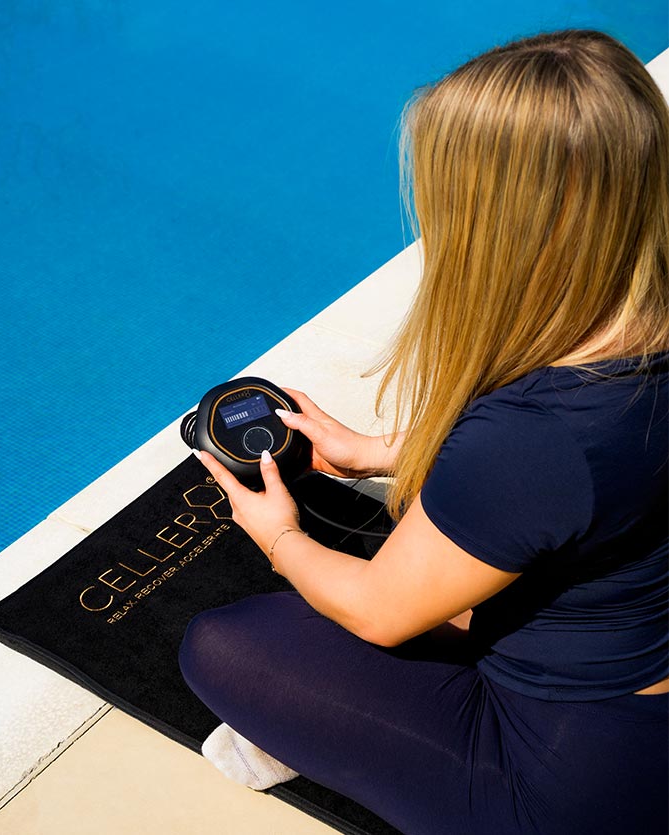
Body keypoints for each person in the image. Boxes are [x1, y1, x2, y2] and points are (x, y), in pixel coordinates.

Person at [178, 29, 668, 835]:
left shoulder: (533, 435)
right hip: (638, 690)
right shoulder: (629, 346)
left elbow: (380, 612)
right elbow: (594, 480)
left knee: (224, 646)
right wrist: (378, 450)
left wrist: (279, 534)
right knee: (432, 524)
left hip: (575, 783)